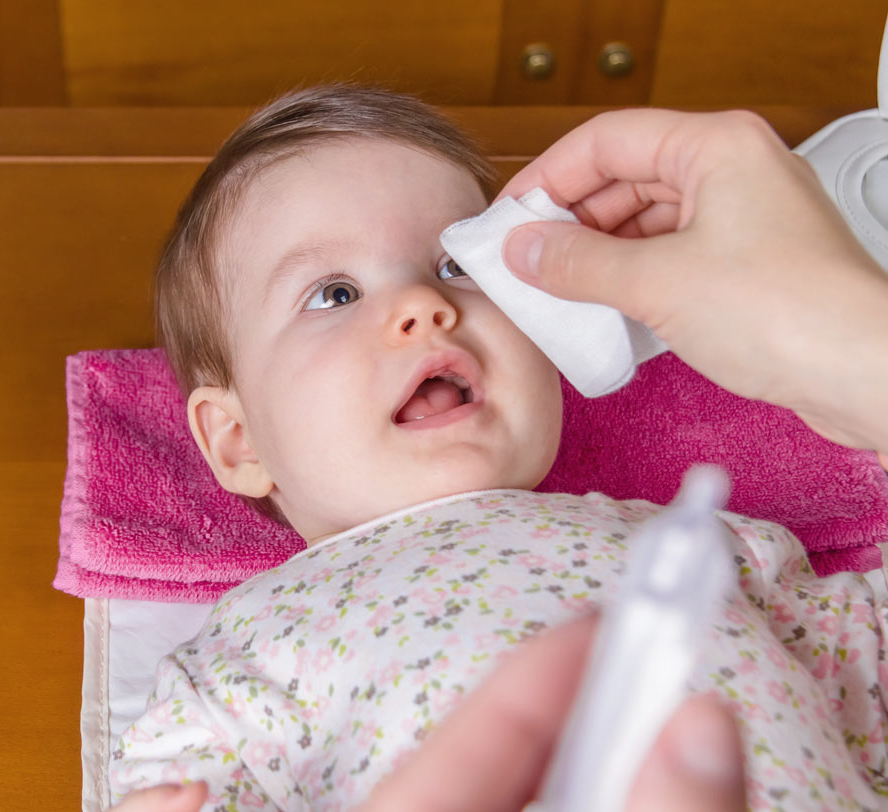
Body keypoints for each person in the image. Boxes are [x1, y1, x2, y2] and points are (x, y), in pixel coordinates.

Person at [109, 87, 888, 811]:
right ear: (239, 440)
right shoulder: (251, 639)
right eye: (334, 293)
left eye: (457, 264)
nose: (424, 305)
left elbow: (859, 665)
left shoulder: (694, 534)